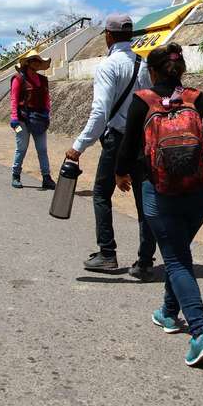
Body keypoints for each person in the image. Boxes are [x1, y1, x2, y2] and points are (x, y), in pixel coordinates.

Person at [115, 42, 203, 367]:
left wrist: (120, 174)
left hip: (159, 193)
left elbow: (126, 147)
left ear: (151, 72)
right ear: (181, 70)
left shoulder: (142, 102)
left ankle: (200, 332)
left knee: (177, 260)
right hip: (199, 193)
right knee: (178, 251)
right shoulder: (200, 99)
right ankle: (168, 313)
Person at [65, 14, 157, 280]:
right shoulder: (143, 64)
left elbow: (100, 113)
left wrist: (79, 146)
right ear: (131, 35)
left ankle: (107, 253)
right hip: (142, 140)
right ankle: (145, 261)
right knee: (144, 200)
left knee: (101, 194)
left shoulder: (108, 67)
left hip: (117, 140)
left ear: (108, 35)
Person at [9, 50, 56, 191]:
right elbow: (14, 99)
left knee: (42, 149)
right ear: (28, 63)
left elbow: (47, 98)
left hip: (39, 119)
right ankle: (16, 175)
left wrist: (47, 112)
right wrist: (14, 118)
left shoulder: (42, 80)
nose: (37, 62)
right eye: (34, 60)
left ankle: (46, 178)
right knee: (21, 148)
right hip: (21, 120)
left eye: (38, 60)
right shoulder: (18, 79)